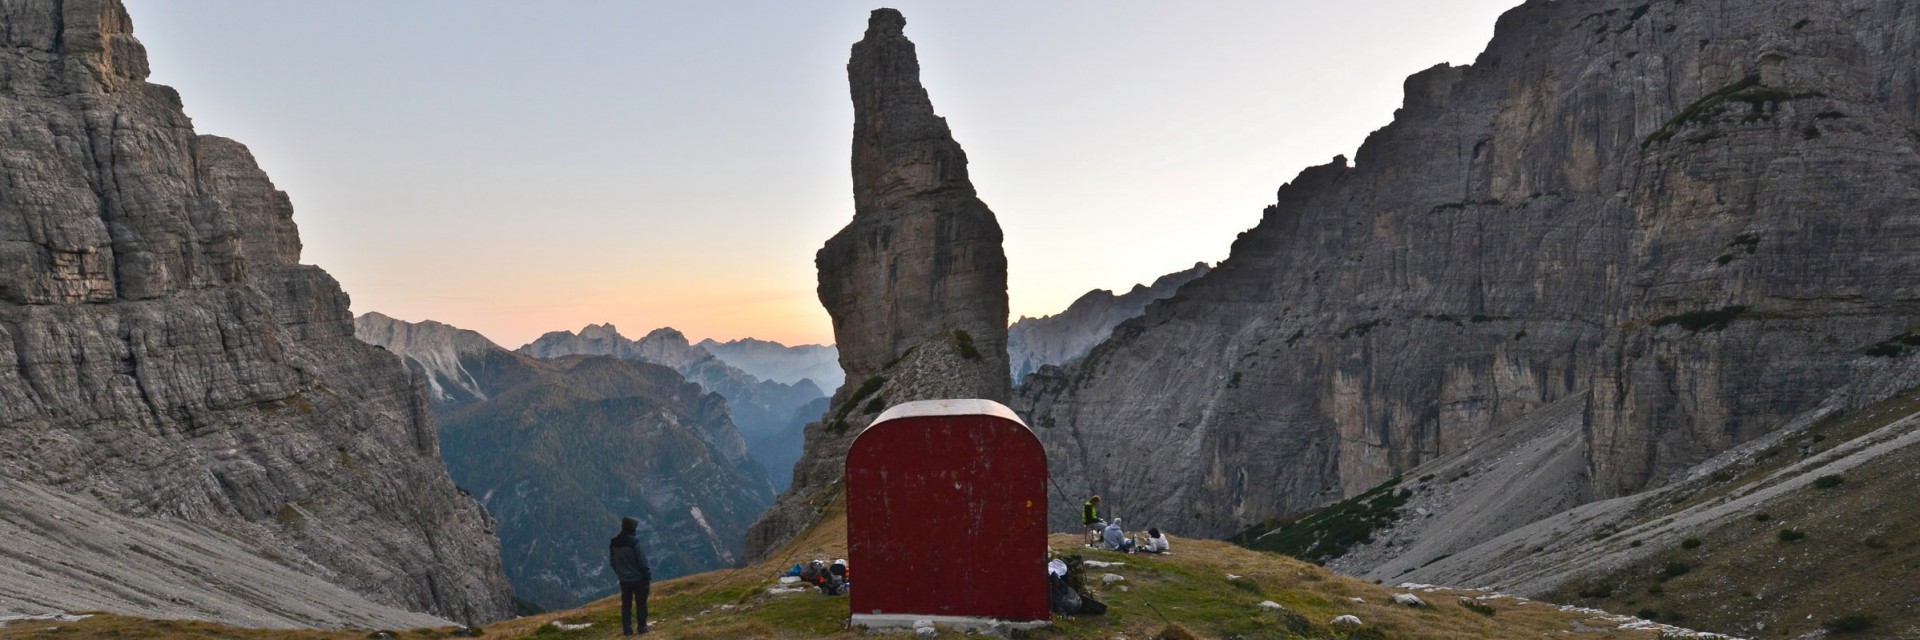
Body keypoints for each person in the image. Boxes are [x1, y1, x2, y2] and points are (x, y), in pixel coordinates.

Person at [608, 517, 652, 636]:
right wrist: (647, 575)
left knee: (626, 605)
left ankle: (627, 630)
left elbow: (612, 562)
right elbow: (642, 562)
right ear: (632, 528)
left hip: (624, 580)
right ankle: (642, 627)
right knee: (641, 603)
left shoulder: (614, 543)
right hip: (639, 579)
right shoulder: (635, 543)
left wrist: (620, 574)